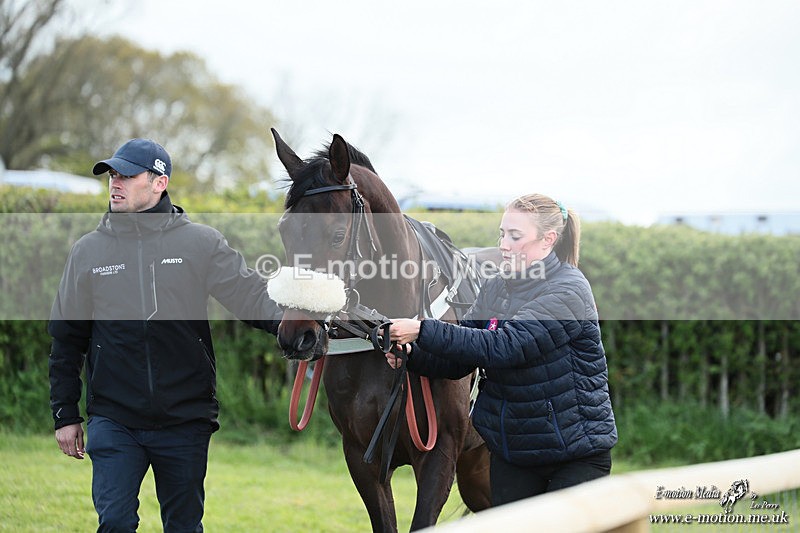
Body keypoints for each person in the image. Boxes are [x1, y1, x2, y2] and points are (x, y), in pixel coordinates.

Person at [48, 138, 282, 532]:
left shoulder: (201, 242)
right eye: (112, 175)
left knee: (184, 526)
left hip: (185, 419)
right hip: (114, 417)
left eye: (127, 174)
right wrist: (65, 413)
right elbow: (66, 338)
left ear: (159, 182)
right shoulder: (87, 251)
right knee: (116, 523)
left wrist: (293, 323)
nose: (115, 183)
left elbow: (249, 296)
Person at [386, 193, 617, 506]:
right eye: (502, 233)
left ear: (548, 239)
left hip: (574, 456)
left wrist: (422, 329)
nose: (503, 245)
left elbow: (504, 346)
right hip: (513, 453)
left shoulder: (569, 290)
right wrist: (412, 355)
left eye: (515, 236)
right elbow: (462, 354)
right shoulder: (496, 286)